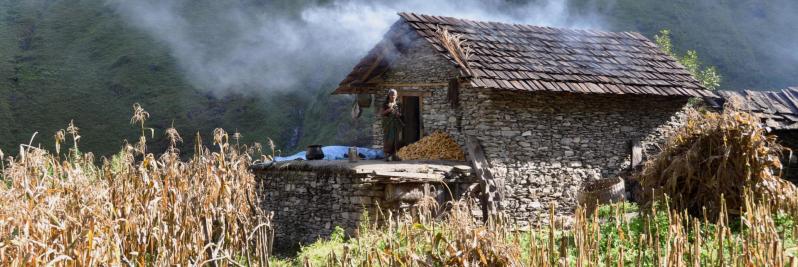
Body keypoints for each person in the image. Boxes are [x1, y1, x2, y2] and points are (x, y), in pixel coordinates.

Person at [381, 89, 403, 161]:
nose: (393, 96)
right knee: (388, 139)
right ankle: (387, 156)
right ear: (389, 95)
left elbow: (401, 114)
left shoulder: (398, 104)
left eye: (394, 95)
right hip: (388, 125)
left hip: (396, 124)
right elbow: (381, 113)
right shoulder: (385, 104)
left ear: (396, 96)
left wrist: (398, 114)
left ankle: (395, 155)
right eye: (391, 95)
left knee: (396, 140)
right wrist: (388, 110)